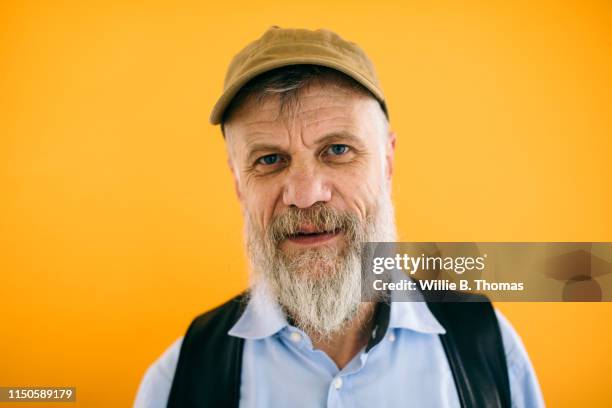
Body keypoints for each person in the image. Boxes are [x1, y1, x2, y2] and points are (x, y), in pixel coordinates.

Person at [134, 26, 544, 407]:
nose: (306, 195)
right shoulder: (178, 380)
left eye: (337, 150)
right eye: (270, 159)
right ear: (239, 183)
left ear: (387, 162)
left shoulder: (487, 347)